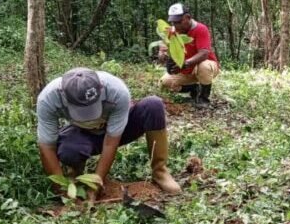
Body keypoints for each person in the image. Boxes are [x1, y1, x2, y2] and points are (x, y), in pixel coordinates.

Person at [36, 67, 181, 198]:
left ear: (100, 89)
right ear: (64, 96)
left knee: (153, 105)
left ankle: (160, 171)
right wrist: (60, 188)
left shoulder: (116, 90)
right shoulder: (48, 99)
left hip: (116, 130)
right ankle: (75, 174)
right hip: (83, 133)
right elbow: (47, 147)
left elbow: (111, 142)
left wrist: (97, 182)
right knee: (69, 151)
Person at [159, 3, 220, 108]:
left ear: (188, 17)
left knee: (203, 66)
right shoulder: (171, 32)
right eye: (173, 22)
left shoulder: (201, 29)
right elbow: (162, 53)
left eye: (179, 22)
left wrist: (186, 63)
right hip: (186, 70)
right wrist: (163, 54)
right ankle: (193, 88)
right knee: (165, 82)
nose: (176, 25)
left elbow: (204, 53)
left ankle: (203, 98)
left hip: (205, 67)